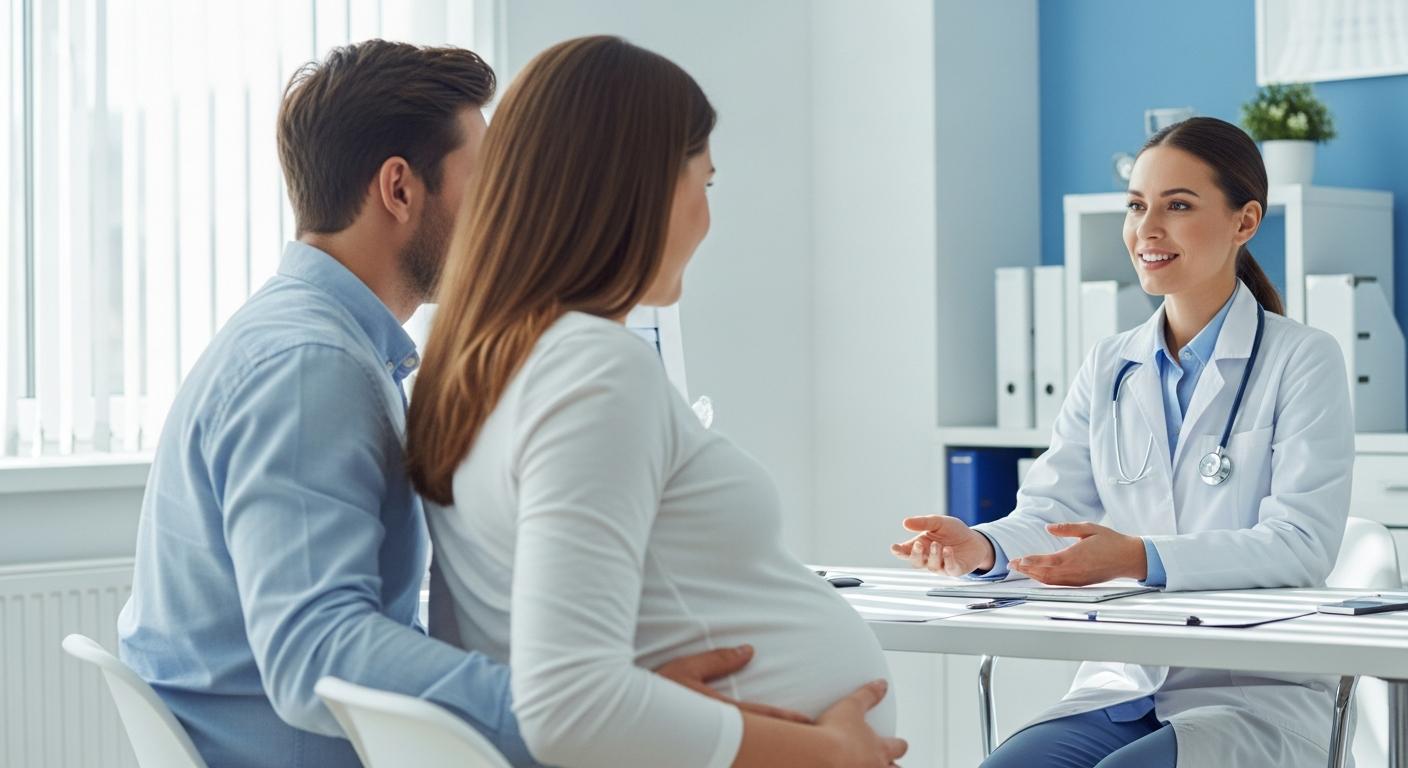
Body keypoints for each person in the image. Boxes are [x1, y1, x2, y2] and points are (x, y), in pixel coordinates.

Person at [117, 39, 793, 768]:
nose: (507, 205)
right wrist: (566, 715)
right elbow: (316, 652)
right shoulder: (311, 366)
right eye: (489, 177)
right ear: (401, 190)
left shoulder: (309, 339)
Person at [406, 35, 906, 768]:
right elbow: (570, 704)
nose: (707, 215)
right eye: (706, 181)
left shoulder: (475, 367)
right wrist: (826, 752)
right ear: (640, 188)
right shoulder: (591, 369)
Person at [893, 116, 1354, 768]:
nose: (1147, 230)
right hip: (1125, 683)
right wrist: (982, 545)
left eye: (1178, 206)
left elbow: (1301, 546)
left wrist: (1138, 557)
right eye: (1137, 206)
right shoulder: (1110, 365)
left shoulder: (1303, 359)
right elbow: (1051, 518)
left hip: (1253, 689)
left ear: (1245, 222)